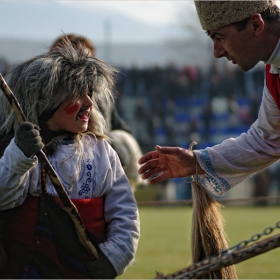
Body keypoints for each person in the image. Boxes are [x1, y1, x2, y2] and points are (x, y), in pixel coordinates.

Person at [0, 41, 139, 279]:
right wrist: (20, 155)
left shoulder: (102, 152)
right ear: (46, 101)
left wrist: (114, 257)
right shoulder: (20, 149)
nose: (90, 103)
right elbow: (4, 199)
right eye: (78, 94)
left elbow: (125, 213)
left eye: (90, 93)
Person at [138, 0, 280, 198]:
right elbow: (267, 139)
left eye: (220, 37)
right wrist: (197, 161)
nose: (217, 52)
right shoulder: (274, 71)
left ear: (256, 25)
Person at [50, 34, 144, 190]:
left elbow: (121, 129)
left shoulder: (103, 98)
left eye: (88, 60)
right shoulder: (46, 99)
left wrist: (113, 151)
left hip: (101, 172)